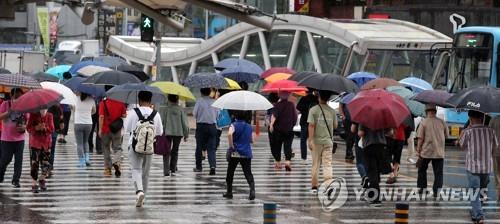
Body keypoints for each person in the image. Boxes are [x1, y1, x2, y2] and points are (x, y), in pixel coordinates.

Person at [124, 91, 162, 207]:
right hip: (150, 146)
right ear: (150, 101)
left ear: (139, 100)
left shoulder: (133, 112)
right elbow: (160, 132)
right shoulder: (156, 114)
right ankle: (143, 196)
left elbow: (128, 129)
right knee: (146, 173)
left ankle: (139, 191)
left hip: (135, 145)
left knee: (136, 169)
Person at [459, 110, 498, 223]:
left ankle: (479, 216)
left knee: (474, 192)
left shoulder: (468, 131)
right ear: (482, 117)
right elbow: (495, 147)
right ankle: (477, 211)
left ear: (470, 118)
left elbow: (462, 145)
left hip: (473, 168)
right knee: (481, 190)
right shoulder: (491, 131)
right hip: (486, 167)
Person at [307, 90, 336, 193]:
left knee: (316, 164)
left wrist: (310, 140)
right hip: (328, 141)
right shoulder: (332, 111)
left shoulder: (313, 110)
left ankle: (314, 187)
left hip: (316, 142)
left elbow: (311, 125)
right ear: (328, 98)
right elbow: (335, 126)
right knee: (327, 164)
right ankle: (328, 185)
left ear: (319, 97)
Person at [416, 104, 448, 196]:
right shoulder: (442, 122)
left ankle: (422, 188)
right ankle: (436, 191)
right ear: (435, 111)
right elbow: (447, 136)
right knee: (438, 173)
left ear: (426, 112)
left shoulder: (424, 122)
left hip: (426, 152)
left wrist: (418, 150)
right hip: (439, 152)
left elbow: (420, 138)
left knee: (422, 170)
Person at [223, 110, 255, 200]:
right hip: (246, 153)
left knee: (230, 172)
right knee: (248, 173)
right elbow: (252, 140)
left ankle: (229, 192)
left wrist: (231, 146)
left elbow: (229, 134)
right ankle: (252, 190)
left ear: (235, 116)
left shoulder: (233, 125)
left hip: (235, 153)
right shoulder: (249, 126)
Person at [0, 88, 27, 188]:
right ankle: (1, 173)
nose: (18, 98)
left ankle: (16, 180)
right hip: (6, 139)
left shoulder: (24, 106)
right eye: (16, 96)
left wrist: (25, 126)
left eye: (20, 97)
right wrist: (8, 112)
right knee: (5, 160)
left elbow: (27, 120)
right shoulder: (5, 104)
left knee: (18, 160)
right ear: (12, 95)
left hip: (20, 138)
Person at [358, 125, 390, 207]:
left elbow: (360, 133)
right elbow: (390, 132)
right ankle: (371, 193)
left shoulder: (365, 118)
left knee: (372, 173)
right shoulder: (383, 118)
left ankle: (375, 198)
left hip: (369, 147)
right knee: (377, 172)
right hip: (381, 147)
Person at [99, 85, 127, 177]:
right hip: (116, 129)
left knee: (106, 148)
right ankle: (116, 162)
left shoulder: (103, 102)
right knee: (117, 148)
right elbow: (124, 115)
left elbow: (101, 117)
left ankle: (108, 169)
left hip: (105, 129)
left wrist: (99, 129)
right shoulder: (120, 102)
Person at [159, 94, 189, 176]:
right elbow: (185, 123)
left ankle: (166, 169)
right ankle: (173, 169)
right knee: (175, 150)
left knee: (166, 150)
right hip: (178, 133)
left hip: (167, 132)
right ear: (177, 99)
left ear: (168, 99)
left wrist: (160, 132)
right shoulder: (180, 109)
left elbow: (162, 122)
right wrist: (186, 134)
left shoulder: (165, 109)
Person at [26, 110, 54, 193]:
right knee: (35, 164)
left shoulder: (50, 115)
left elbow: (52, 129)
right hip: (35, 143)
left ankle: (42, 179)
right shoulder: (33, 114)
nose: (43, 109)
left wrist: (45, 128)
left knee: (45, 164)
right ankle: (34, 184)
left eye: (45, 107)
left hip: (46, 144)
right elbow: (28, 128)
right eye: (42, 108)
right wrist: (36, 128)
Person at [193, 88, 218, 175]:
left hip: (201, 126)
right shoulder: (214, 102)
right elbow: (218, 115)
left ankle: (199, 167)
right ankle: (212, 166)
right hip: (212, 126)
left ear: (201, 92)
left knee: (199, 147)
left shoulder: (199, 101)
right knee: (211, 148)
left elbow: (194, 114)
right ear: (209, 92)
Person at [269, 91, 297, 171]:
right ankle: (287, 161)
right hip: (289, 129)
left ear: (279, 96)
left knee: (277, 146)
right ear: (288, 96)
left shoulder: (277, 105)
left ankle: (278, 162)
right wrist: (292, 124)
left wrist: (271, 125)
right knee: (287, 146)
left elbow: (274, 116)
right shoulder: (291, 105)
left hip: (278, 130)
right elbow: (295, 117)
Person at [74, 92, 96, 167]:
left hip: (78, 123)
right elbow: (94, 111)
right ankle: (87, 159)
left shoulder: (76, 99)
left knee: (79, 144)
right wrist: (88, 113)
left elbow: (73, 109)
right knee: (86, 141)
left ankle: (81, 162)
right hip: (88, 123)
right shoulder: (91, 100)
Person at [296, 88, 318, 162]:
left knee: (303, 140)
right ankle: (315, 156)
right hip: (314, 122)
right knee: (314, 140)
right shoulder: (316, 99)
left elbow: (298, 107)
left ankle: (303, 158)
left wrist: (304, 110)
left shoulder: (304, 98)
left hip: (305, 121)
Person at [47, 105, 64, 177]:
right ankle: (50, 167)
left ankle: (46, 168)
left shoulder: (47, 108)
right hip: (55, 131)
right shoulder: (59, 109)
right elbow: (62, 124)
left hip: (47, 131)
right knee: (52, 150)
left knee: (46, 150)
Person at [488, 115, 500, 201]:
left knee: (497, 173)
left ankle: (499, 193)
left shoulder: (494, 119)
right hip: (496, 151)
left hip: (496, 151)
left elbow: (488, 134)